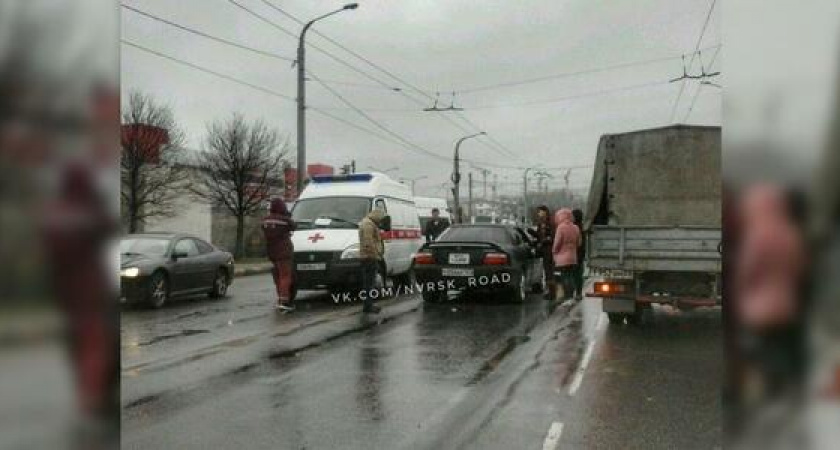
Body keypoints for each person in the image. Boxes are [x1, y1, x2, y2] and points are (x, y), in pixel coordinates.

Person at [262, 198, 296, 312]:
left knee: (277, 276)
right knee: (285, 276)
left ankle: (280, 298)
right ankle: (284, 302)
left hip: (271, 252)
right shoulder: (285, 220)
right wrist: (287, 215)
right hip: (284, 251)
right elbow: (294, 226)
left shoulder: (265, 220)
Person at [358, 208, 385, 314]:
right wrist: (375, 255)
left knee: (369, 283)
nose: (380, 221)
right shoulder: (369, 224)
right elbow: (368, 242)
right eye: (380, 219)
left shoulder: (368, 223)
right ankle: (368, 306)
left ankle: (368, 305)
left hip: (367, 257)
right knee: (369, 283)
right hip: (369, 257)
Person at [552, 208, 581, 301]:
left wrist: (554, 251)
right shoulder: (576, 227)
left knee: (564, 276)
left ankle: (567, 295)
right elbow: (579, 243)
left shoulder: (561, 227)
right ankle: (571, 294)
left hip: (562, 258)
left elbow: (557, 243)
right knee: (571, 275)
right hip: (573, 257)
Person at [534, 205, 556, 300]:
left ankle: (551, 292)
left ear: (545, 212)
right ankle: (549, 291)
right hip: (545, 250)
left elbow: (552, 237)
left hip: (549, 250)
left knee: (549, 271)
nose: (538, 214)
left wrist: (543, 242)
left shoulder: (550, 223)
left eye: (540, 212)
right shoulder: (540, 223)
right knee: (547, 271)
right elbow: (540, 236)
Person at [572, 209, 587, 300]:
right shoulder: (582, 227)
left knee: (575, 274)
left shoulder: (575, 227)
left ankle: (577, 293)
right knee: (578, 274)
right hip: (581, 253)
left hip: (576, 253)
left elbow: (579, 242)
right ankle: (578, 292)